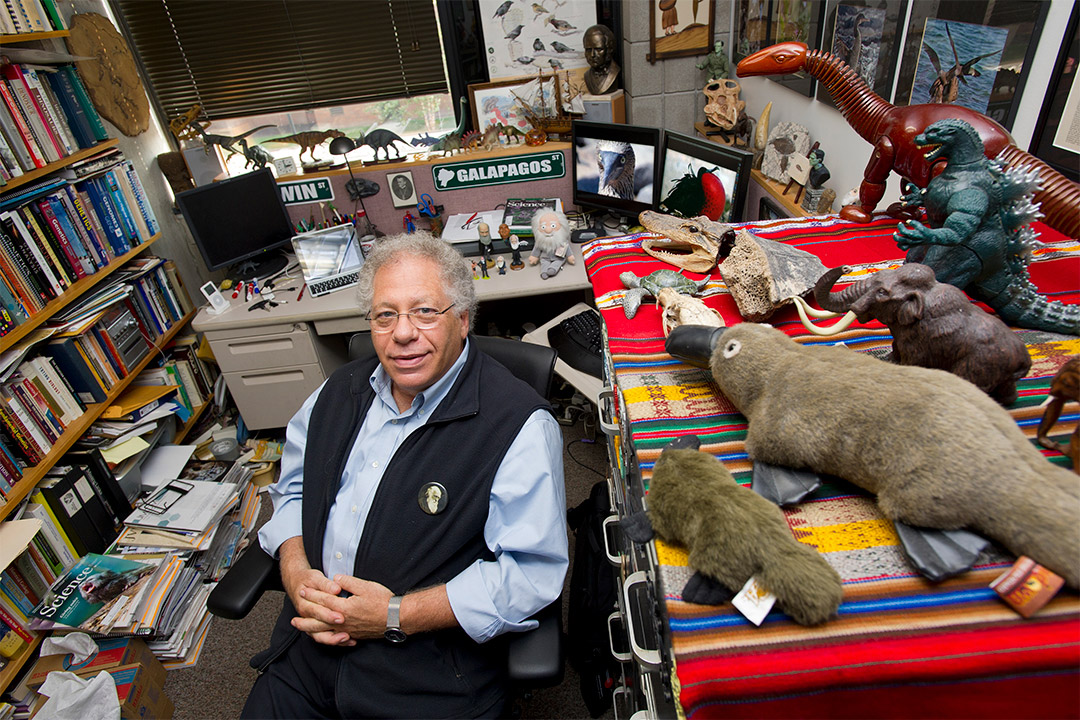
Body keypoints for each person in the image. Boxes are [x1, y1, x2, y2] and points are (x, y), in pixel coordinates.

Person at [243, 233, 569, 719]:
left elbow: (530, 574)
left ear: (462, 319)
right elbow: (292, 490)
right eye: (385, 314)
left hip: (427, 673)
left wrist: (394, 616)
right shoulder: (336, 393)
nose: (402, 333)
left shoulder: (518, 425)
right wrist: (294, 570)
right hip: (308, 650)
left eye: (424, 312)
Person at [583, 24, 620, 95]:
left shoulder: (615, 72)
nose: (592, 55)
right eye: (588, 50)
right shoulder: (587, 76)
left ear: (609, 49)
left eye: (599, 49)